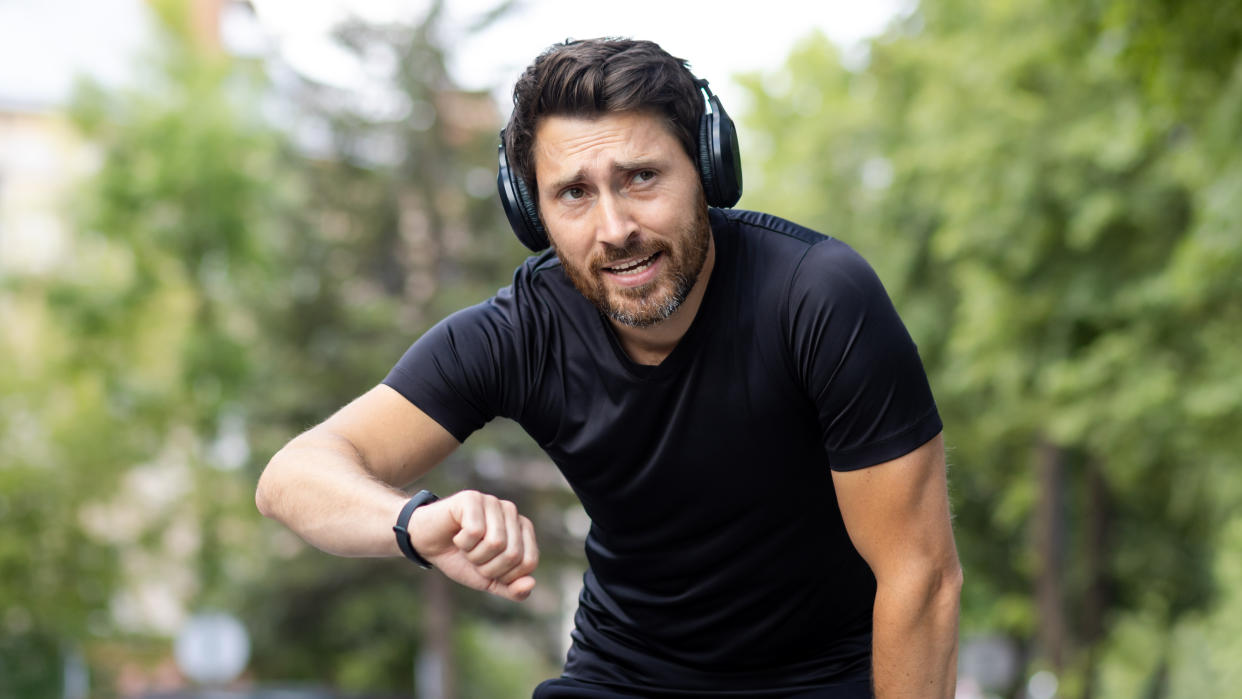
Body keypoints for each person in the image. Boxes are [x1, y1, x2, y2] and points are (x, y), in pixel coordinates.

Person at [256, 38, 962, 698]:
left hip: (825, 677)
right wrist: (411, 522)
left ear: (708, 171)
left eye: (642, 177)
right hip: (624, 675)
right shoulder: (522, 333)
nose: (615, 226)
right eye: (574, 193)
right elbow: (293, 476)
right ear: (532, 213)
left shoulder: (818, 299)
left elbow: (920, 576)